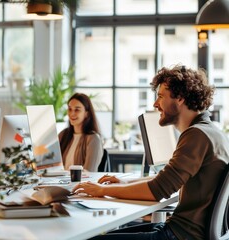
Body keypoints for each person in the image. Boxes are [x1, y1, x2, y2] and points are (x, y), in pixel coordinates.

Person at [73, 65, 229, 240]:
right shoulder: (210, 132)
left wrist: (101, 191)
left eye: (161, 96)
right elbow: (166, 179)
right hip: (182, 230)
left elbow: (157, 190)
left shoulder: (196, 135)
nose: (155, 104)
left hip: (180, 235)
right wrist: (125, 182)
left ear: (180, 99)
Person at [59, 93, 103, 172]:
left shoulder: (93, 139)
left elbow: (89, 171)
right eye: (70, 109)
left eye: (77, 110)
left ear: (86, 113)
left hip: (81, 183)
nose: (72, 113)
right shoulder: (63, 134)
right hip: (60, 182)